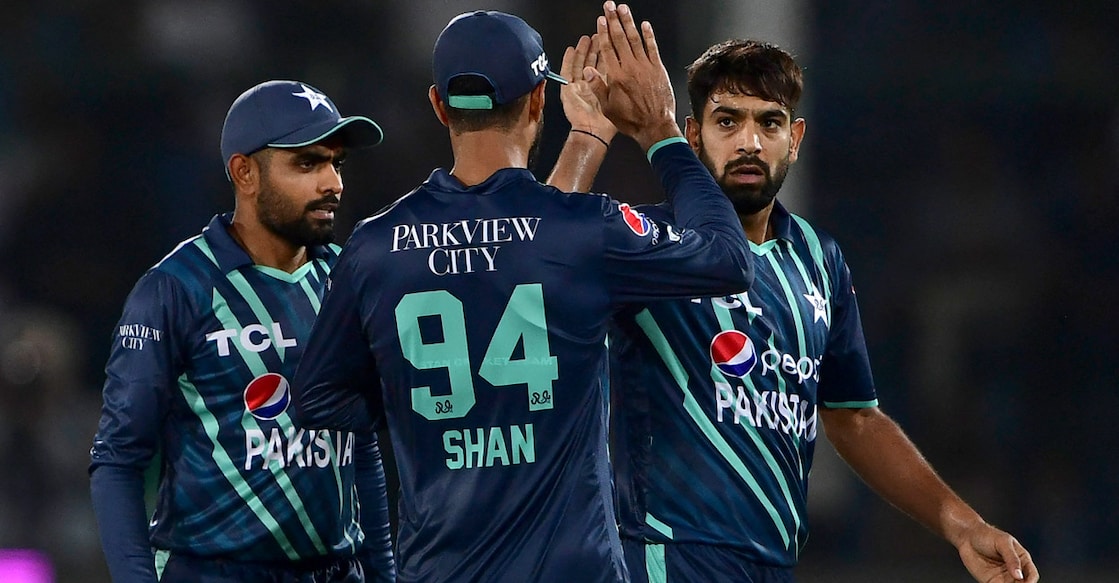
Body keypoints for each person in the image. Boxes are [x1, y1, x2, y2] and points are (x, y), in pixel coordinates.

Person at [289, 4, 753, 582]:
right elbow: (729, 259)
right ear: (538, 101)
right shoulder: (583, 232)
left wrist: (429, 404)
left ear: (439, 107)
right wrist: (660, 130)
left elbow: (318, 402)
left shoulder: (374, 248)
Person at [586, 39, 1040, 582]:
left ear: (794, 139)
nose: (750, 142)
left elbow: (854, 418)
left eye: (770, 123)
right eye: (727, 121)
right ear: (691, 136)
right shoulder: (648, 242)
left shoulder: (819, 259)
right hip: (665, 559)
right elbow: (527, 272)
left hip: (774, 567)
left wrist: (964, 526)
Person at [89, 80, 396, 583]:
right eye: (307, 163)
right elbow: (117, 459)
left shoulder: (350, 282)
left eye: (336, 163)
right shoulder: (175, 289)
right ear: (244, 172)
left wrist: (384, 577)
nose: (333, 184)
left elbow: (361, 447)